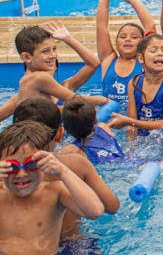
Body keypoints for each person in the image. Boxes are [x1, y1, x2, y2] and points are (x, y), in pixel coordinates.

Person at [11, 98, 119, 240]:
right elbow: (112, 206)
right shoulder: (76, 164)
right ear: (60, 133)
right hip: (72, 242)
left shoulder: (6, 171)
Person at [0, 121, 104, 255]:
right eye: (11, 167)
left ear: (45, 162)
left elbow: (95, 211)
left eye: (31, 164)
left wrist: (62, 170)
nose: (21, 174)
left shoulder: (54, 192)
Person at [108, 34, 163, 138]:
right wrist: (130, 147)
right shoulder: (134, 83)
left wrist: (127, 121)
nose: (160, 54)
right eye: (153, 50)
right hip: (143, 142)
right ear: (140, 58)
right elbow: (131, 127)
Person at [96, 0, 153, 106]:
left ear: (143, 44)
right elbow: (101, 28)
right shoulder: (108, 59)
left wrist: (134, 0)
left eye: (134, 37)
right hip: (109, 118)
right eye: (123, 37)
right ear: (116, 43)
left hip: (136, 118)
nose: (128, 40)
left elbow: (150, 26)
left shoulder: (144, 62)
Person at [14, 25, 106, 107]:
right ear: (26, 57)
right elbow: (76, 101)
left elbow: (94, 63)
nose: (53, 55)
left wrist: (68, 38)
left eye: (54, 49)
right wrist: (105, 100)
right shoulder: (35, 79)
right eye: (45, 51)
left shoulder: (60, 90)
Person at [59, 95, 125, 164]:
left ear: (63, 126)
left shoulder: (69, 150)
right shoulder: (104, 128)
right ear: (96, 120)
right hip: (124, 162)